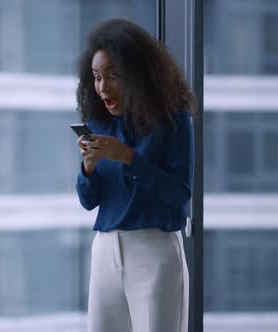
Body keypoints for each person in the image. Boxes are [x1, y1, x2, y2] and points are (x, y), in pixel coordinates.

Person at [74, 18, 196, 332]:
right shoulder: (100, 124)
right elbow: (89, 201)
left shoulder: (173, 119)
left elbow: (180, 192)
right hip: (105, 249)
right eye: (97, 77)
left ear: (137, 73)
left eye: (113, 75)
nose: (103, 87)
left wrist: (128, 158)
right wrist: (87, 168)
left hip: (154, 251)